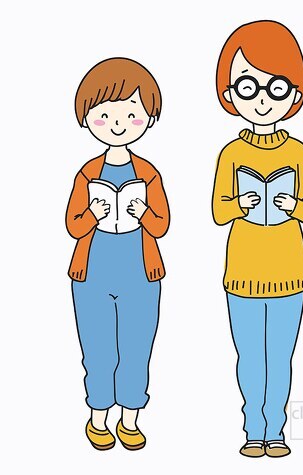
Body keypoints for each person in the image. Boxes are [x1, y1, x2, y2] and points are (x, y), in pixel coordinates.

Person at [212, 20, 303, 458]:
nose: (260, 99)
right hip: (241, 272)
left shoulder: (298, 153)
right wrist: (243, 202)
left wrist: (291, 204)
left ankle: (275, 428)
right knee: (248, 358)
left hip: (289, 273)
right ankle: (251, 427)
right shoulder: (231, 153)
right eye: (247, 86)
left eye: (275, 88)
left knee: (280, 358)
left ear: (294, 95)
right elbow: (219, 210)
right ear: (229, 94)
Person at [66, 57, 169, 450]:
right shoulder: (87, 173)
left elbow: (161, 225)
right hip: (91, 273)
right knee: (97, 348)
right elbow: (73, 225)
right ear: (89, 117)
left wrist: (142, 211)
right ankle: (98, 415)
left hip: (141, 274)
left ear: (146, 117)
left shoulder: (149, 173)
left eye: (131, 113)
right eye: (105, 114)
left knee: (136, 347)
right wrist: (93, 213)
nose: (119, 123)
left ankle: (130, 418)